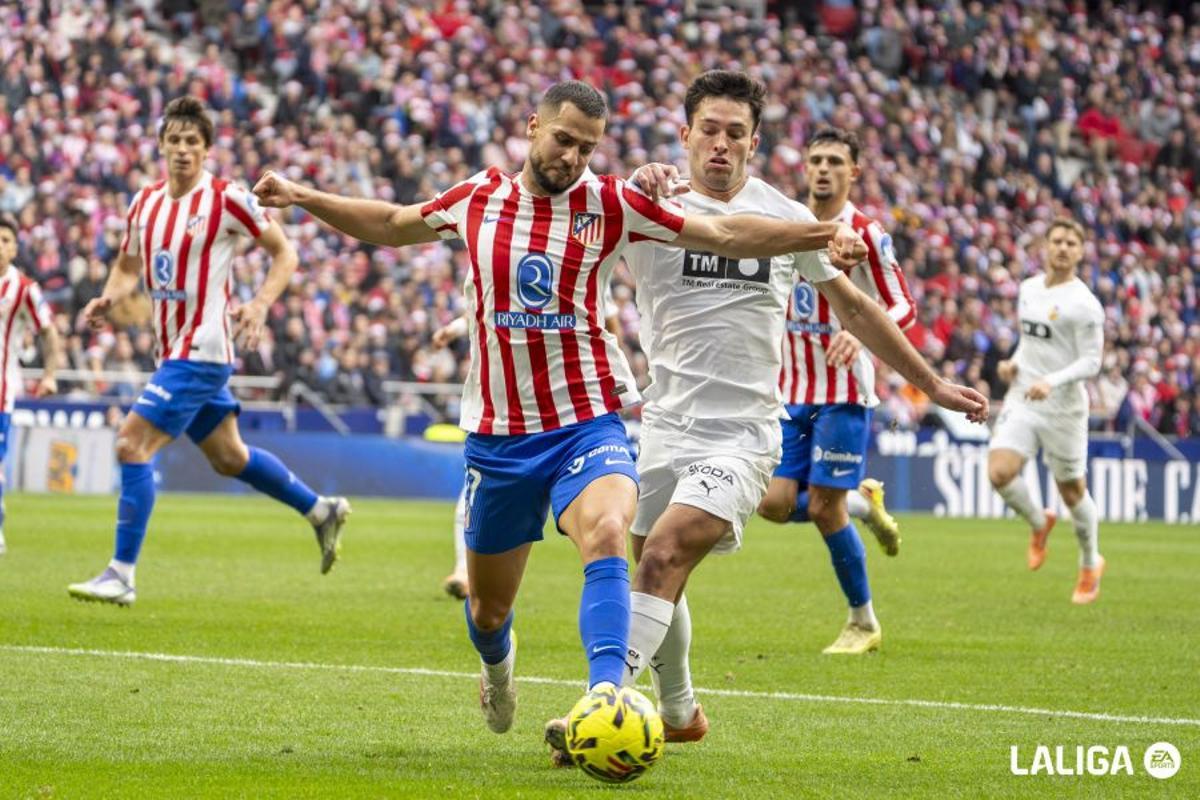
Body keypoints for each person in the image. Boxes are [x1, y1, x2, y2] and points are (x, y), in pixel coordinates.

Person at [252, 79, 878, 738]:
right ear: (532, 127)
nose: (573, 158)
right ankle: (498, 671)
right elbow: (390, 222)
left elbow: (720, 230)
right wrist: (304, 197)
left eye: (587, 147)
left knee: (610, 533)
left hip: (587, 419)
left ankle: (605, 699)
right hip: (500, 437)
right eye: (563, 140)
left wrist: (819, 232)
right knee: (490, 614)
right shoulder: (478, 198)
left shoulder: (610, 205)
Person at [542, 71, 989, 760]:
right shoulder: (643, 206)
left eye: (735, 133)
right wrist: (637, 178)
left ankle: (600, 710)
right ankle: (682, 708)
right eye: (709, 131)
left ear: (755, 142)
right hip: (663, 424)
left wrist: (931, 383)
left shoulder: (784, 218)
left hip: (746, 433)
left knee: (663, 555)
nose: (720, 145)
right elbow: (561, 198)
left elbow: (856, 307)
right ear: (686, 133)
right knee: (649, 567)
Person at [67, 96, 351, 607]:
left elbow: (285, 253)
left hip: (203, 348)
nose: (182, 150)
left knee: (131, 444)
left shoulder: (227, 198)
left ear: (206, 150)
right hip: (171, 349)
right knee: (228, 457)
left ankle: (121, 573)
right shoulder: (144, 203)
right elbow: (129, 266)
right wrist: (110, 296)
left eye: (192, 142)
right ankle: (320, 510)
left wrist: (261, 303)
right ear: (160, 146)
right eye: (173, 141)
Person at [757, 126, 916, 655]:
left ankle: (863, 622)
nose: (823, 169)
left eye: (834, 161)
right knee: (773, 503)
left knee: (825, 510)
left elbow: (903, 306)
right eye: (816, 160)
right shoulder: (787, 224)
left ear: (854, 171)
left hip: (844, 390)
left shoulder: (868, 234)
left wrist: (860, 331)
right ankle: (862, 503)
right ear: (805, 167)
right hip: (789, 389)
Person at [987, 216, 1106, 604]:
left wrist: (1052, 381)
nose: (1063, 248)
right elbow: (1031, 342)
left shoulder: (1085, 304)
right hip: (1024, 395)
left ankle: (1090, 562)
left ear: (1081, 252)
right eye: (1057, 241)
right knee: (999, 472)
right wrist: (1013, 364)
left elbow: (1092, 362)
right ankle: (1039, 523)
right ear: (1046, 246)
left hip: (1063, 408)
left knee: (1072, 491)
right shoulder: (1028, 289)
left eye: (1072, 243)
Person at [0, 214, 62, 555]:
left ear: (15, 248)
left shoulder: (24, 289)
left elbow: (48, 332)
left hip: (1, 391)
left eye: (6, 240)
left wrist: (50, 374)